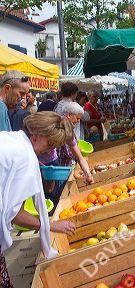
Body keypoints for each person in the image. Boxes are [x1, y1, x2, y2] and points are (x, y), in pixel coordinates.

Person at [0, 112, 76, 287]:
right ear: (37, 134)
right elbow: (15, 213)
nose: (49, 150)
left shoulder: (9, 138)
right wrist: (50, 225)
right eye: (50, 144)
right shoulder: (25, 156)